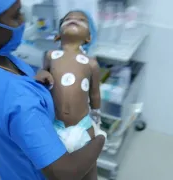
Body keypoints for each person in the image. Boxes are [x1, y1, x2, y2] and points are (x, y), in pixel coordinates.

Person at [0, 0, 106, 180]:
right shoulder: (19, 100)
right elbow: (65, 173)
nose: (24, 20)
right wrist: (99, 138)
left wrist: (37, 77)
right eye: (16, 15)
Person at [36, 10, 101, 180]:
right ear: (58, 36)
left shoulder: (91, 63)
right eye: (68, 19)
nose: (74, 20)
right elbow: (43, 75)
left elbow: (94, 92)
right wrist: (41, 74)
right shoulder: (51, 55)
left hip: (83, 124)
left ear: (88, 38)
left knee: (88, 168)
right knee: (54, 169)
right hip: (54, 124)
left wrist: (96, 113)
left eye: (81, 20)